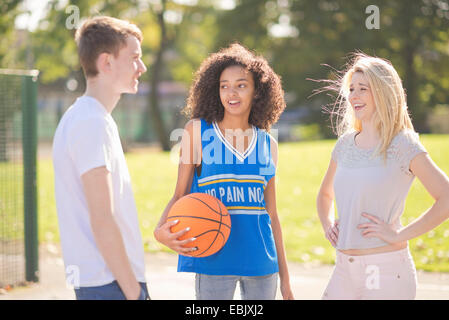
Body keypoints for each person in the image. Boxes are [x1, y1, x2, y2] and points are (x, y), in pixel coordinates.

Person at [154, 43, 294, 300]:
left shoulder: (268, 143)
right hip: (214, 258)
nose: (231, 92)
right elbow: (179, 195)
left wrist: (285, 280)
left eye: (241, 85)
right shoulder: (197, 132)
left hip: (261, 263)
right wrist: (159, 230)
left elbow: (272, 215)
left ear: (257, 91)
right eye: (224, 85)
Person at [316, 53, 449, 300]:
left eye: (362, 89)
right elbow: (325, 194)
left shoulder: (402, 143)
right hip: (344, 268)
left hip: (386, 270)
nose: (354, 96)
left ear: (383, 91)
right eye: (352, 89)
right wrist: (328, 225)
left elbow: (446, 198)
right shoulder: (345, 144)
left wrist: (399, 234)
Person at [52, 16, 149, 300]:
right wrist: (134, 292)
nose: (141, 67)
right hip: (111, 285)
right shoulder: (91, 123)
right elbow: (102, 217)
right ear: (106, 63)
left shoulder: (84, 117)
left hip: (104, 282)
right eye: (134, 58)